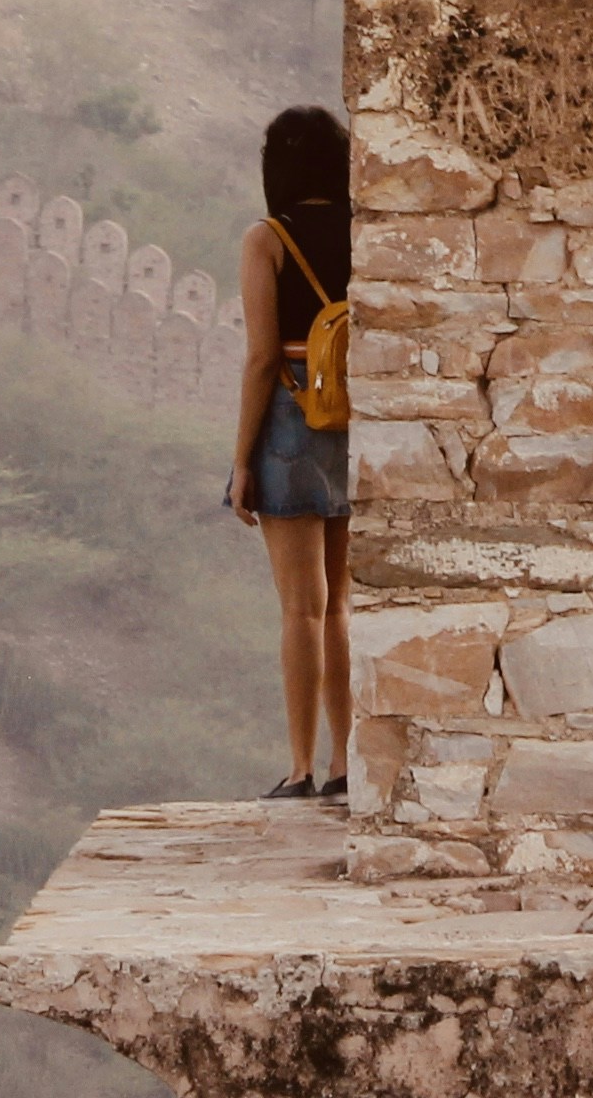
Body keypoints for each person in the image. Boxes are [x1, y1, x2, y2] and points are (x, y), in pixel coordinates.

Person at [228, 103, 356, 801]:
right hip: (352, 419)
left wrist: (242, 460)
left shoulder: (267, 240)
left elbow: (259, 358)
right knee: (338, 605)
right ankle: (347, 763)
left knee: (299, 608)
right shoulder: (365, 231)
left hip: (289, 420)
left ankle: (302, 767)